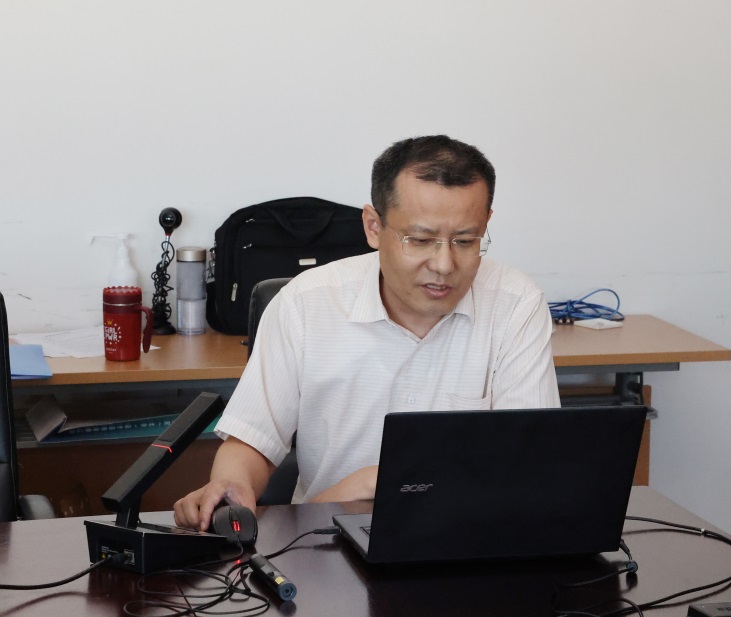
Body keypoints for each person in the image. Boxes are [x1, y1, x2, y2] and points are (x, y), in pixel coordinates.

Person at [174, 135, 560, 531]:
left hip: (470, 535)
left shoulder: (516, 304)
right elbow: (252, 440)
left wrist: (395, 483)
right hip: (321, 540)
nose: (444, 265)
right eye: (420, 240)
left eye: (465, 241)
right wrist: (232, 484)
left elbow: (530, 461)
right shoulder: (305, 304)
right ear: (374, 227)